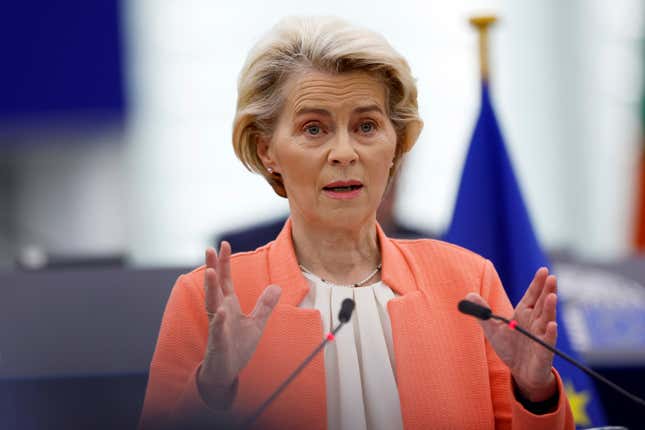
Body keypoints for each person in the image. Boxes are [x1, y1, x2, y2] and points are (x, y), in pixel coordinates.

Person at [139, 16, 574, 430]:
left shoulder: (467, 283)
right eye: (314, 129)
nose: (344, 152)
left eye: (366, 126)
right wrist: (212, 391)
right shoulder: (209, 299)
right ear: (267, 149)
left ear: (396, 145)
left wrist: (534, 393)